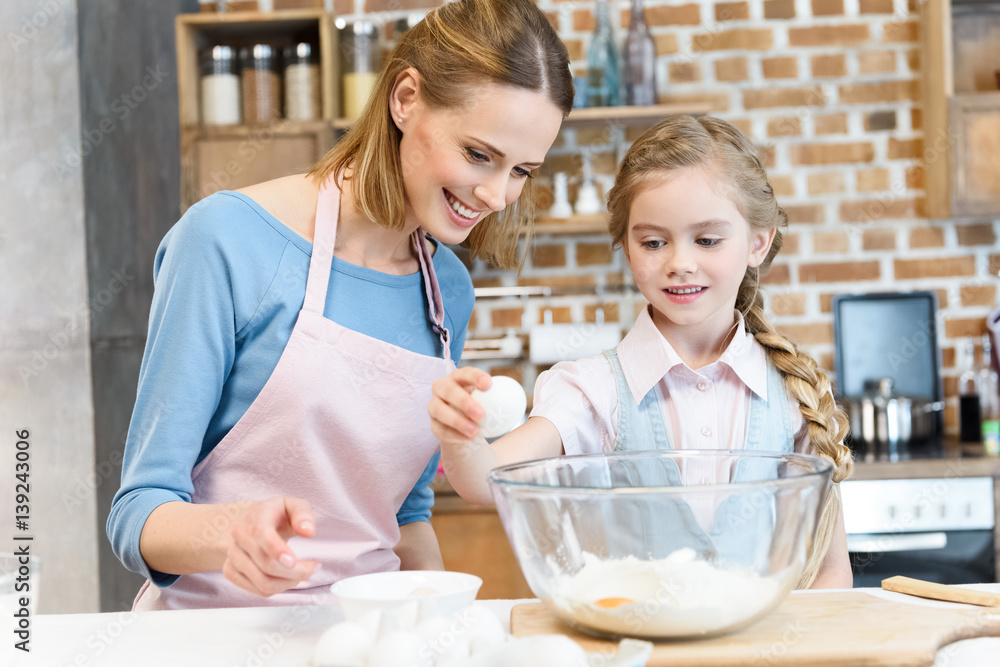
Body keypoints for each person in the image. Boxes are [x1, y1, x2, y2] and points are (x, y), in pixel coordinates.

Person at [107, 0, 573, 610]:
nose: (495, 194)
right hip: (215, 634)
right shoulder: (224, 241)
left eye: (522, 171)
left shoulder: (447, 291)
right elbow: (138, 511)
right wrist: (232, 534)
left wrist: (439, 621)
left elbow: (404, 511)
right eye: (479, 155)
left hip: (367, 635)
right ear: (405, 98)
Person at [429, 115, 855, 589]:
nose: (680, 263)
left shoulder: (792, 392)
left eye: (707, 239)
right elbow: (482, 479)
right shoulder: (593, 390)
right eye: (653, 242)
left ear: (758, 242)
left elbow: (830, 572)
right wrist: (459, 433)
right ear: (627, 249)